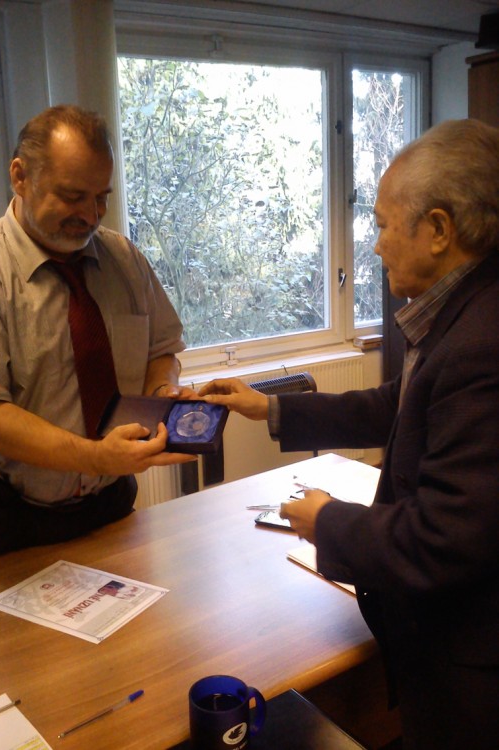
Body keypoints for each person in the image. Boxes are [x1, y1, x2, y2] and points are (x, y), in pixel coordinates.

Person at [199, 119, 499, 750]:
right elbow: (396, 406)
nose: (377, 246)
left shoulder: (481, 342)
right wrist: (268, 408)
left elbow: (442, 540)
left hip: (470, 672)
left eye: (385, 225)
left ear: (439, 230)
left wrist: (327, 521)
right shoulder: (462, 313)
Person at [0, 105, 195, 568]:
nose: (90, 215)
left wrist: (163, 394)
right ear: (20, 176)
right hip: (0, 519)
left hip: (108, 505)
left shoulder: (124, 259)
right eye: (73, 196)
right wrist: (96, 457)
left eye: (101, 198)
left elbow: (161, 350)